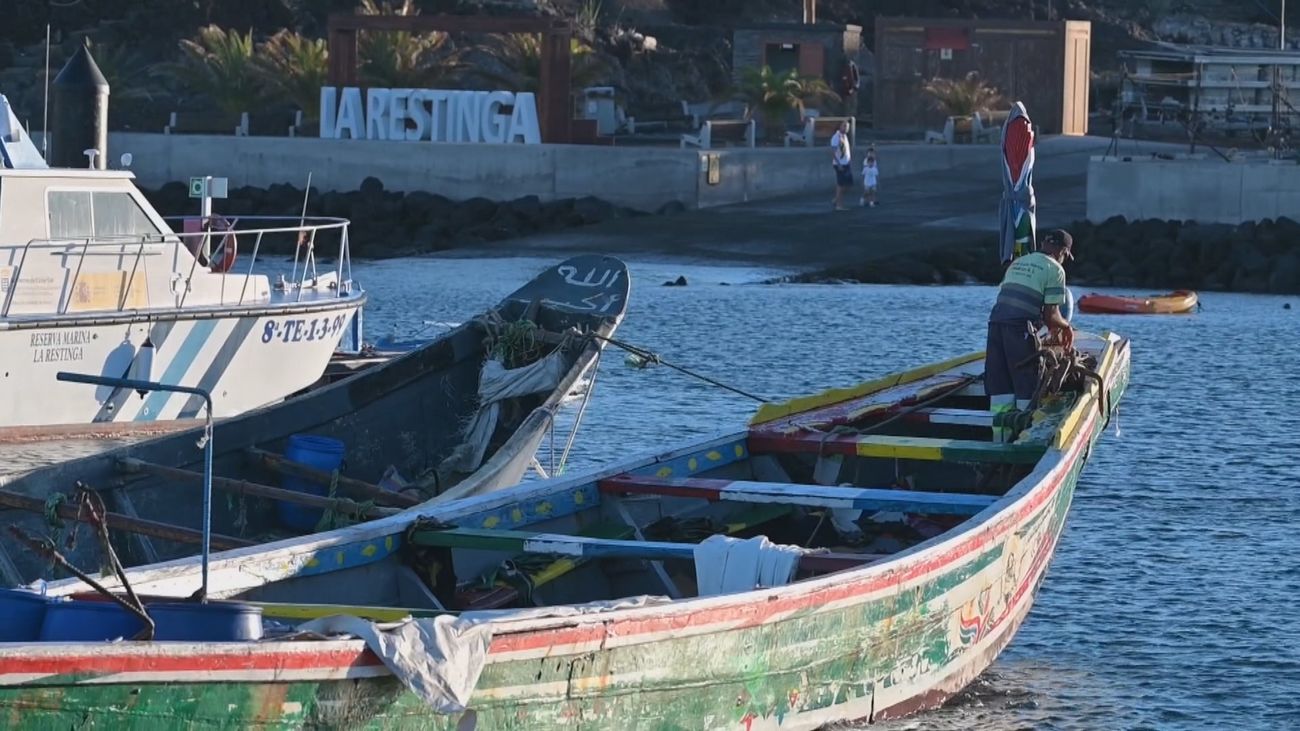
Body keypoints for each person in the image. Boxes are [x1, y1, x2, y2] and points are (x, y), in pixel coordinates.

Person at [984, 229, 1076, 441]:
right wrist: (1066, 327)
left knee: (1000, 388)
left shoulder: (1018, 262)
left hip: (996, 325)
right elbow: (1052, 316)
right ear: (1063, 252)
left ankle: (1000, 442)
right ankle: (1024, 440)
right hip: (1019, 330)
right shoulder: (1055, 269)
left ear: (1044, 244)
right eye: (1065, 256)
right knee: (1026, 385)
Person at [830, 121, 852, 211]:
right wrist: (838, 164)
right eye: (844, 126)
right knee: (841, 184)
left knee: (848, 185)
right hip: (839, 164)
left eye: (847, 127)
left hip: (846, 163)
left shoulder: (845, 136)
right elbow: (833, 152)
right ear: (840, 127)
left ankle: (836, 199)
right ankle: (839, 205)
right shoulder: (836, 137)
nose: (846, 128)